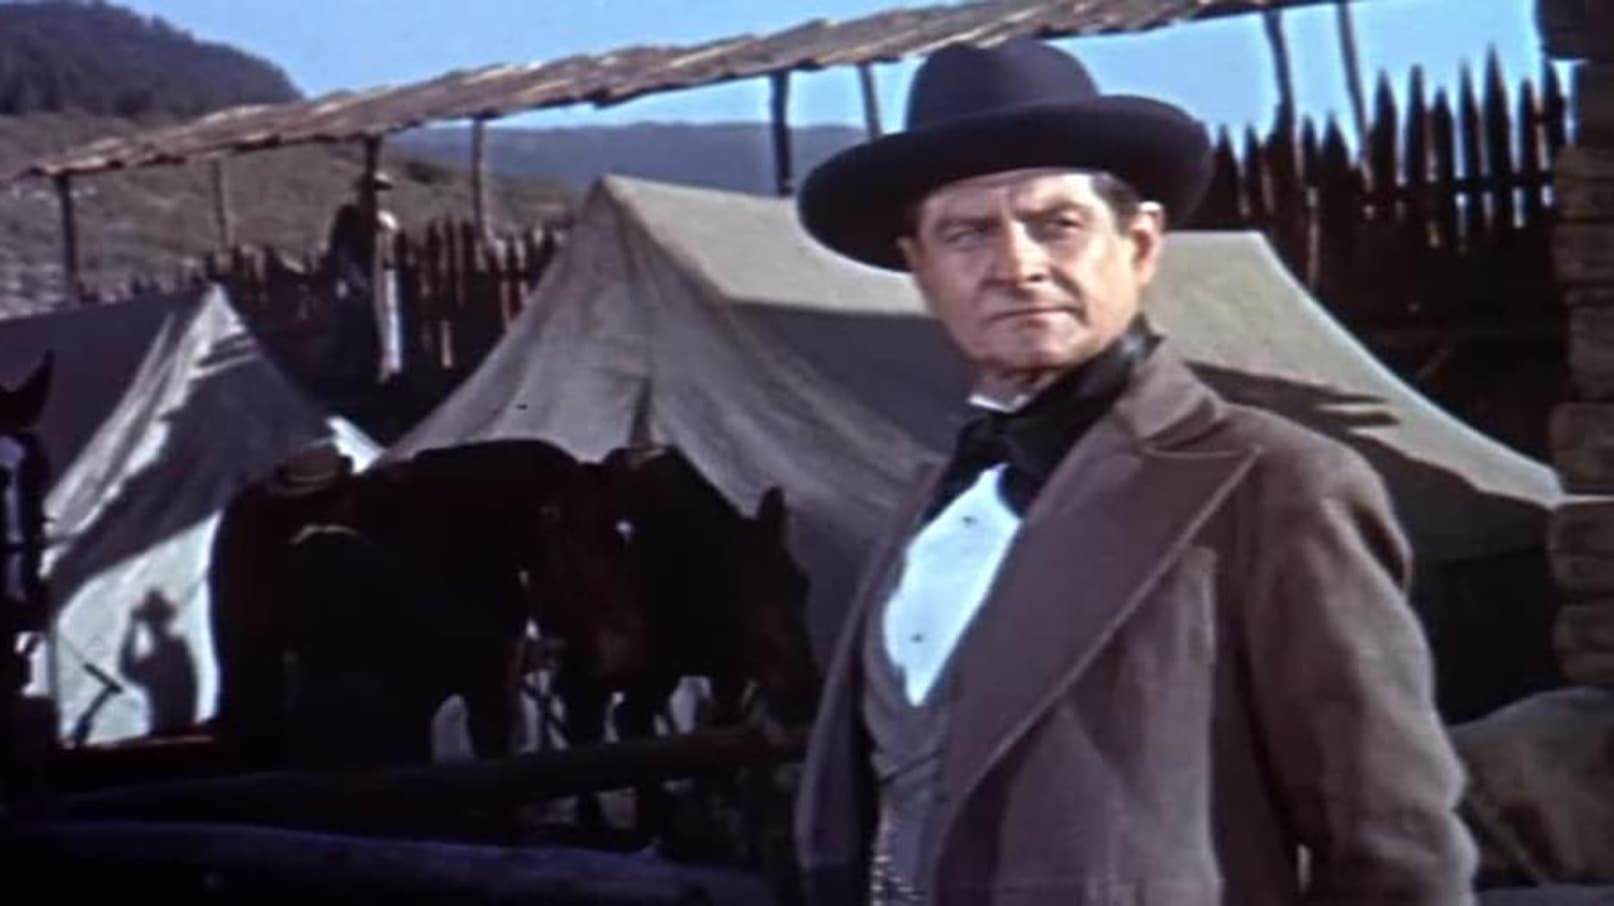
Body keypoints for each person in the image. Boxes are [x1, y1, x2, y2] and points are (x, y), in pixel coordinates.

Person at [790, 38, 1477, 905]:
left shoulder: (1274, 485)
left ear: (1141, 244)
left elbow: (1394, 850)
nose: (1017, 265)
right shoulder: (927, 503)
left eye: (1057, 224)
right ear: (921, 269)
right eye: (967, 233)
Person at [322, 171, 400, 384]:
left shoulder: (387, 221)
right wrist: (352, 278)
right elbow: (340, 250)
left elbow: (390, 255)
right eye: (371, 190)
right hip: (355, 278)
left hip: (382, 279)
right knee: (351, 322)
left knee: (387, 323)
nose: (377, 195)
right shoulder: (348, 217)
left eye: (380, 191)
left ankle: (387, 370)